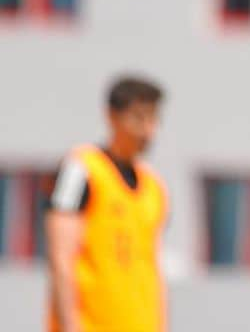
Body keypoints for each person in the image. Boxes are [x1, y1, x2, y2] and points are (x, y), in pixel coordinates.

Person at [45, 75, 168, 332]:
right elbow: (61, 257)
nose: (148, 130)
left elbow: (153, 267)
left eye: (153, 118)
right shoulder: (81, 169)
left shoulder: (154, 187)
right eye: (138, 118)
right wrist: (70, 325)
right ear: (112, 116)